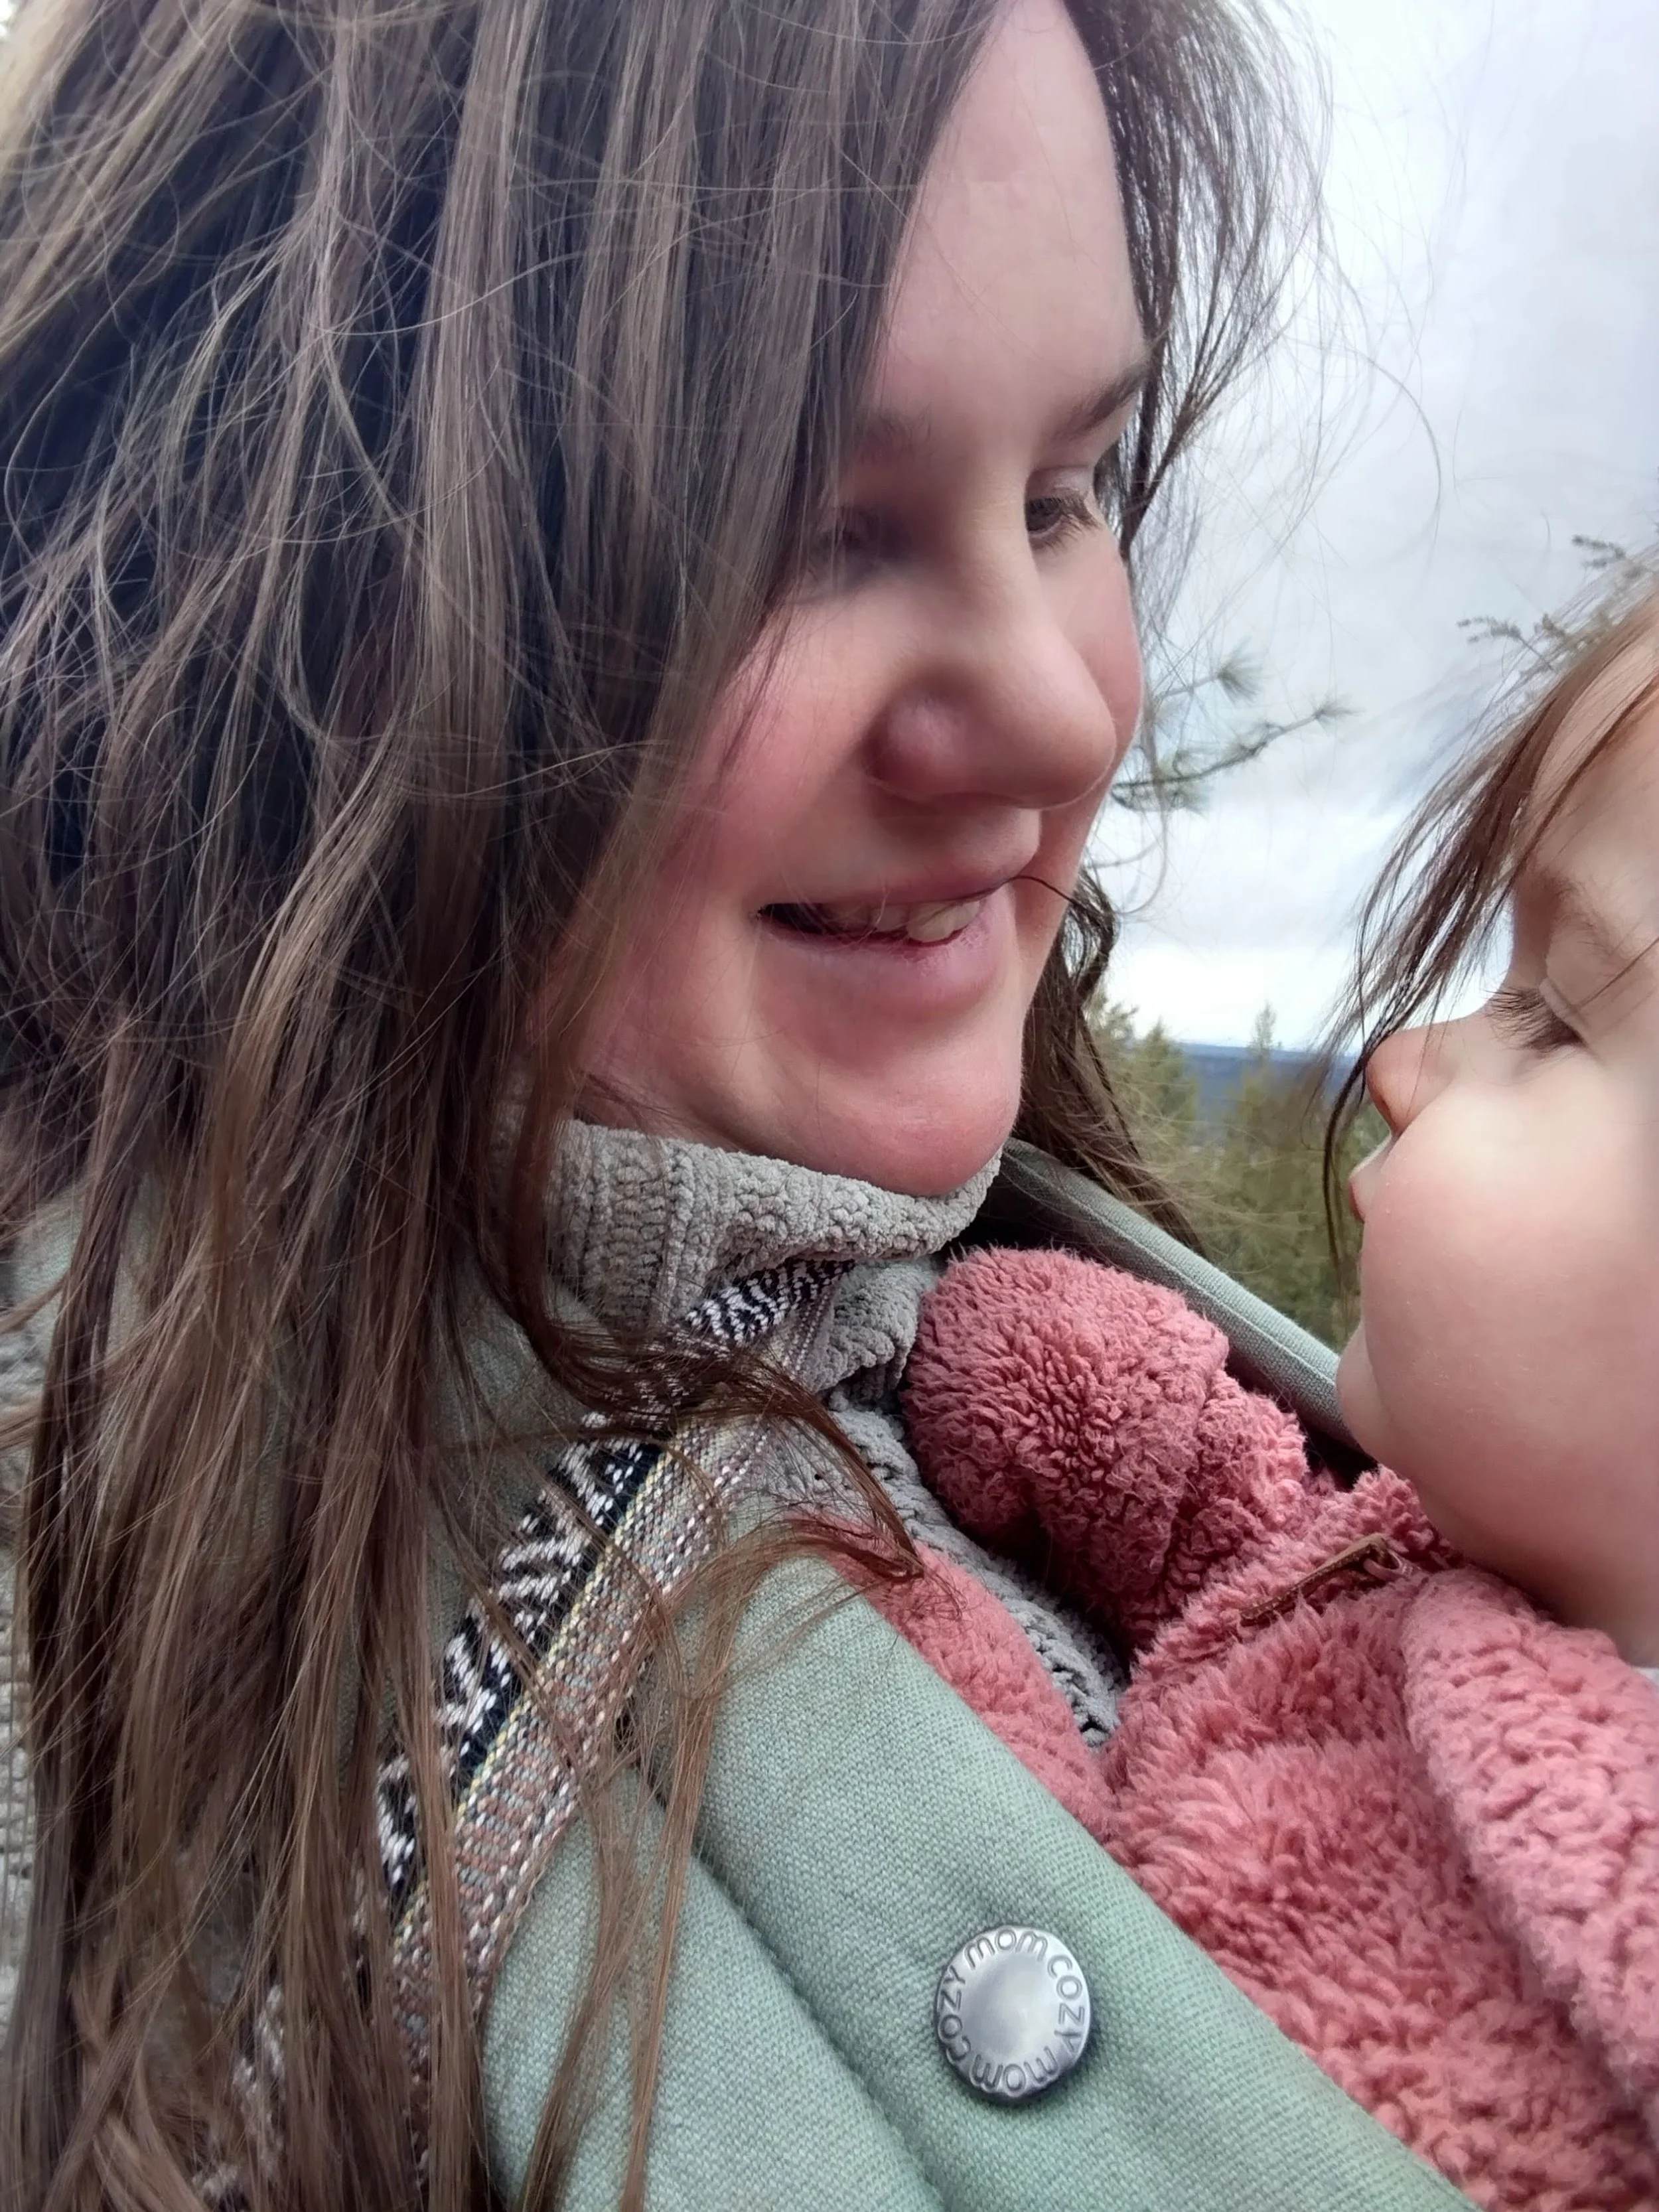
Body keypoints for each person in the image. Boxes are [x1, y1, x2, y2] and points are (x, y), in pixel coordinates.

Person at [0, 0, 1475, 2206]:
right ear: (288, 598)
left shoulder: (1112, 1355)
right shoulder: (99, 1720)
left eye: (1070, 489)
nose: (1064, 705)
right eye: (811, 528)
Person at [892, 591, 1659, 2212]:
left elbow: (1144, 2116)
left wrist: (911, 1670)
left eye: (1551, 1019)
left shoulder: (1589, 2011)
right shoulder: (1484, 1547)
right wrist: (1114, 1409)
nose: (1400, 1060)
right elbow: (1299, 1590)